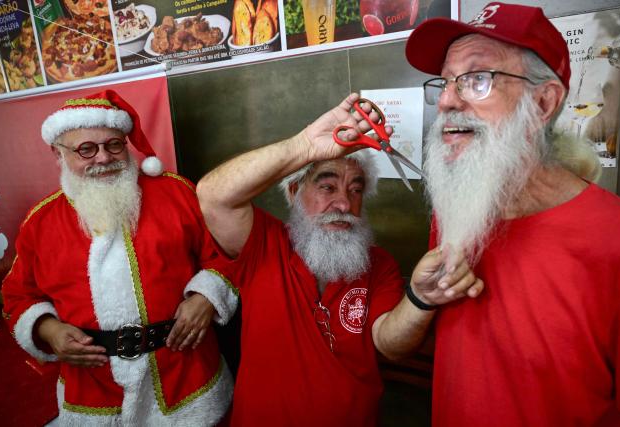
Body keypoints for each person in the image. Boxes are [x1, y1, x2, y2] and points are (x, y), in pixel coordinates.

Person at [402, 2, 620, 426]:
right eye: (447, 81)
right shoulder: (454, 207)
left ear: (543, 103)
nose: (448, 101)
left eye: (477, 79)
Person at [197, 96, 482, 425]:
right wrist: (305, 147)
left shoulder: (378, 263)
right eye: (327, 186)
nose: (344, 204)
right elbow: (212, 195)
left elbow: (390, 344)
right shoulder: (261, 242)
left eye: (355, 190)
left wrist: (421, 299)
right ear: (293, 192)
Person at [2, 90, 238, 425]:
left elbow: (227, 256)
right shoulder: (40, 222)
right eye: (86, 148)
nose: (102, 158)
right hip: (93, 389)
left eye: (113, 144)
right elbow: (17, 296)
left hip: (185, 377)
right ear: (58, 153)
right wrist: (48, 329)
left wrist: (206, 298)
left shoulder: (176, 193)